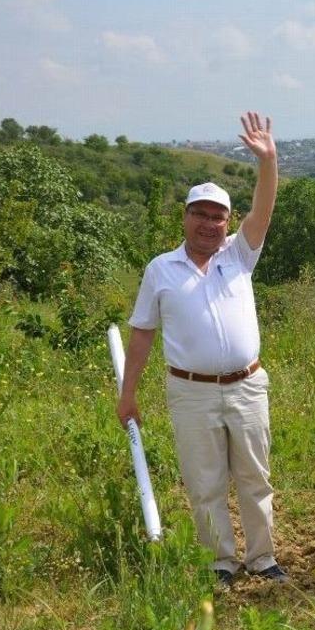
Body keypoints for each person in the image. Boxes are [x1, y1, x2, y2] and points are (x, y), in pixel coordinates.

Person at [118, 113, 284, 587]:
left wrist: (268, 161)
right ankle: (220, 562)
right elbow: (142, 334)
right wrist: (128, 394)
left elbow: (264, 210)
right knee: (204, 481)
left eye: (218, 216)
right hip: (190, 392)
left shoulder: (239, 254)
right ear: (186, 216)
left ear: (227, 222)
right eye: (201, 214)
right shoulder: (160, 269)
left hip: (247, 386)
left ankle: (262, 557)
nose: (209, 224)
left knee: (255, 477)